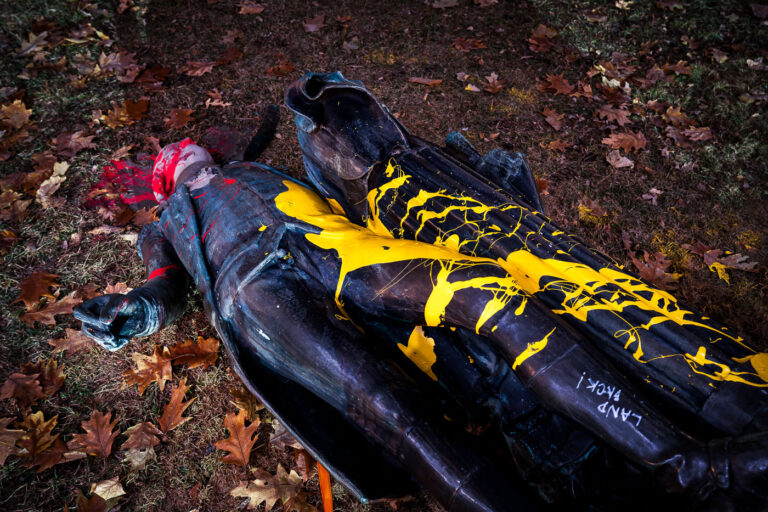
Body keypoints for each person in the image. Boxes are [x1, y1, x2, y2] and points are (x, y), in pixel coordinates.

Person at [75, 123, 767, 510]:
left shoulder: (265, 174)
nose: (184, 151)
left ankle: (683, 464)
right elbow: (164, 285)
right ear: (164, 180)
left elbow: (352, 200)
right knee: (388, 411)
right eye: (172, 157)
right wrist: (136, 310)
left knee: (487, 293)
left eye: (189, 146)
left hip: (340, 250)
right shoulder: (166, 222)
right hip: (252, 291)